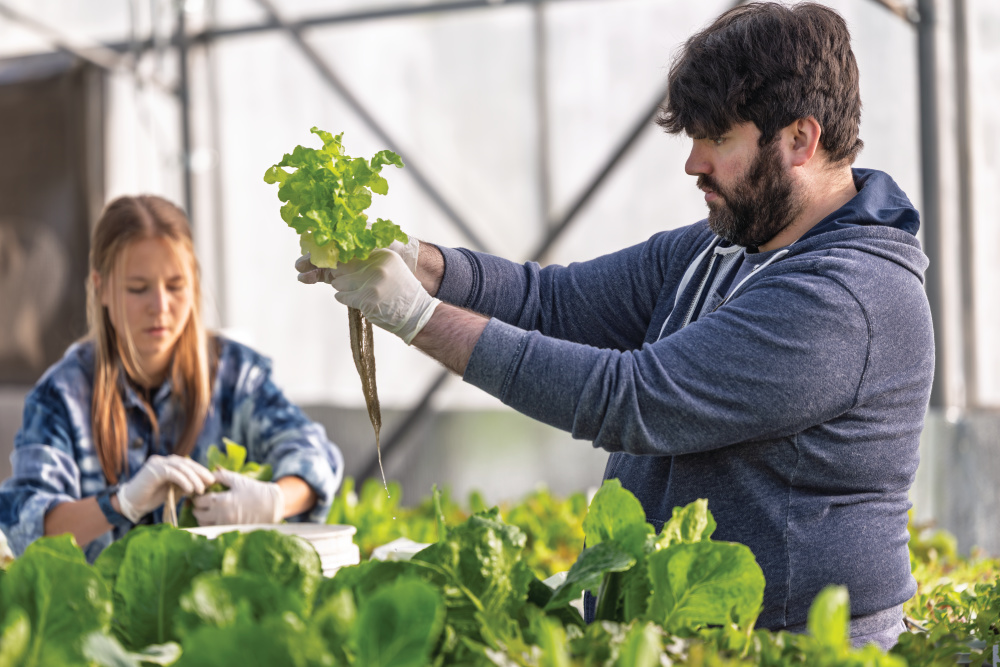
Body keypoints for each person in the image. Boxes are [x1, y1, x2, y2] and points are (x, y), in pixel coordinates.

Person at [297, 1, 934, 651]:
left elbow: (632, 399)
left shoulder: (848, 296)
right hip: (692, 641)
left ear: (801, 138)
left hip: (801, 649)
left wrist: (417, 317)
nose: (694, 164)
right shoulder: (724, 247)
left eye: (718, 139)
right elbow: (557, 301)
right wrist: (425, 267)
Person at [0, 194, 344, 563]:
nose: (160, 306)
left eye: (176, 285)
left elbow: (315, 457)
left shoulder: (235, 375)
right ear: (100, 287)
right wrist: (120, 503)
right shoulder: (62, 397)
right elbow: (26, 523)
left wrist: (273, 500)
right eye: (138, 288)